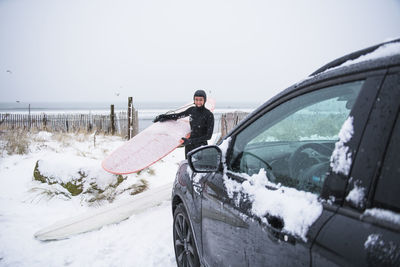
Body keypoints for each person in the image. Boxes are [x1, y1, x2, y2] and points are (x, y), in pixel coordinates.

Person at [153, 90, 214, 158]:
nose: (198, 102)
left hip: (201, 146)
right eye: (196, 99)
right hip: (189, 146)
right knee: (188, 166)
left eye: (200, 100)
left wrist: (190, 141)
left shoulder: (209, 115)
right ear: (194, 100)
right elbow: (178, 115)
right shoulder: (192, 110)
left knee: (198, 167)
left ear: (204, 100)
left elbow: (208, 136)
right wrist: (164, 116)